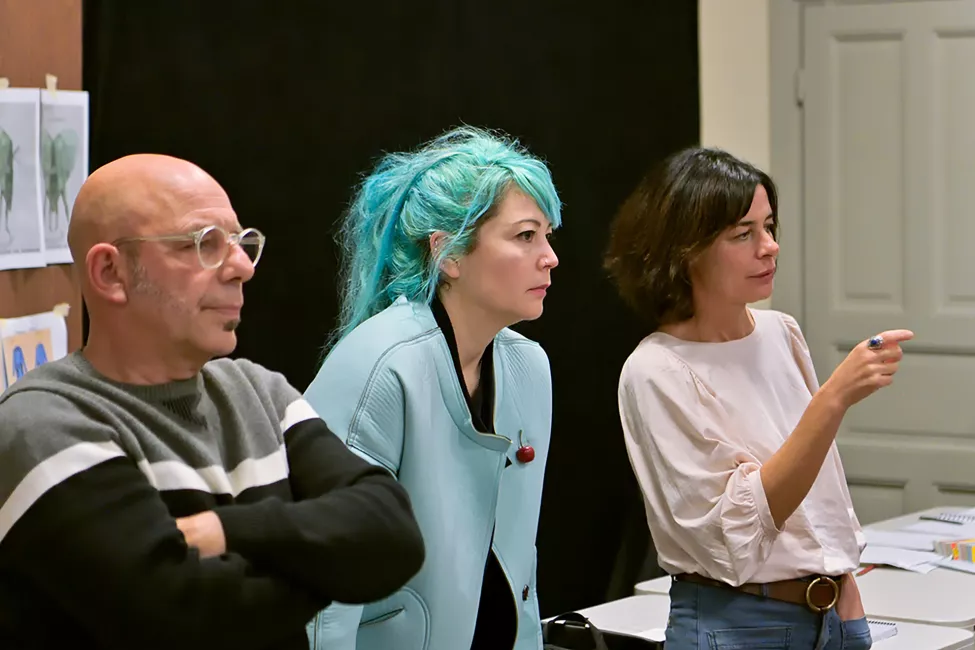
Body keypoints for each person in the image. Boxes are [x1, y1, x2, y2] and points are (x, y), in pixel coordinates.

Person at [0, 154, 425, 650]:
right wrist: (332, 568)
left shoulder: (259, 393)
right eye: (203, 244)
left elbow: (391, 534)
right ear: (110, 272)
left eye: (244, 244)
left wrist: (222, 529)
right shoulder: (44, 421)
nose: (242, 267)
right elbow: (181, 617)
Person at [604, 147, 913, 649]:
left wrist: (844, 587)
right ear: (685, 251)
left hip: (834, 616)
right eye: (743, 234)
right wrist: (833, 399)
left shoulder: (780, 331)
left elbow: (820, 496)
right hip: (739, 625)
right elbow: (736, 539)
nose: (768, 247)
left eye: (769, 227)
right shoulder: (656, 370)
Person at [303, 126, 561, 650]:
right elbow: (324, 579)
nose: (550, 257)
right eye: (525, 236)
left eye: (548, 236)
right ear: (449, 254)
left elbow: (518, 563)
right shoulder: (378, 366)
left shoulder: (530, 367)